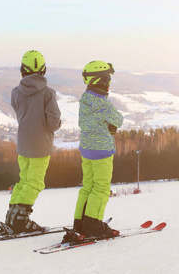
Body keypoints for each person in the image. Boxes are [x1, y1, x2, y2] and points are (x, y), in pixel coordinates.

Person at [0, 50, 61, 235]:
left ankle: (11, 217)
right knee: (35, 183)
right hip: (41, 146)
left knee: (24, 181)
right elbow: (54, 122)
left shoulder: (15, 92)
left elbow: (19, 112)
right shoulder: (48, 93)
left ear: (23, 70)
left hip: (23, 144)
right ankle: (20, 221)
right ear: (43, 69)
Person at [64, 60, 123, 242]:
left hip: (87, 150)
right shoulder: (104, 105)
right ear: (102, 80)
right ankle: (93, 225)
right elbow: (118, 120)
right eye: (108, 78)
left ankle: (80, 223)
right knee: (101, 188)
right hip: (102, 152)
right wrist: (110, 126)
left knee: (87, 187)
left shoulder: (85, 100)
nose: (110, 81)